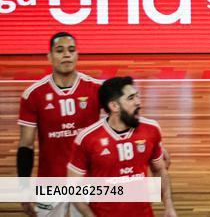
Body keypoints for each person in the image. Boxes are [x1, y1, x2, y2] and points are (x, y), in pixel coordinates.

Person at [17, 33, 103, 217]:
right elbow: (26, 145)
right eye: (60, 50)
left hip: (87, 181)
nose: (66, 55)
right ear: (49, 56)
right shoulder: (33, 94)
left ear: (77, 55)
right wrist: (24, 190)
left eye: (71, 50)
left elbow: (123, 113)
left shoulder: (96, 89)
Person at [67, 76, 177, 217]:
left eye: (137, 96)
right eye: (131, 98)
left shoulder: (151, 129)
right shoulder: (88, 138)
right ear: (114, 106)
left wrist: (169, 207)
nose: (138, 102)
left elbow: (160, 170)